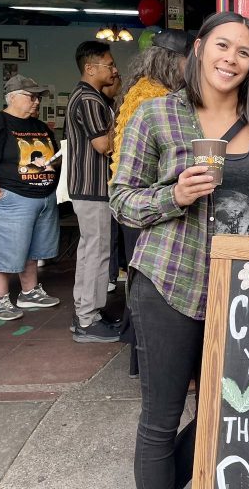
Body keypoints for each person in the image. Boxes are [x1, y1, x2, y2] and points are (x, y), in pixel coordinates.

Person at [110, 12, 249, 488]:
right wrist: (176, 195)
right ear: (200, 49)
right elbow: (122, 201)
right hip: (169, 283)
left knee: (230, 414)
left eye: (244, 52)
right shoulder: (156, 114)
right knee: (160, 422)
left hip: (241, 293)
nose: (231, 58)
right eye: (223, 46)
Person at [109, 28, 191, 378]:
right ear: (175, 62)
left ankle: (142, 363)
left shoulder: (141, 90)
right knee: (151, 292)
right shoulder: (153, 100)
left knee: (141, 288)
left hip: (147, 203)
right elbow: (143, 164)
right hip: (148, 204)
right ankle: (150, 364)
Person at [0, 74, 61, 321]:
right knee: (3, 250)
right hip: (11, 198)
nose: (37, 102)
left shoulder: (40, 126)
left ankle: (29, 292)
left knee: (34, 249)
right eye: (31, 96)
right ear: (12, 97)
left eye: (39, 97)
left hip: (42, 197)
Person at [66, 40, 120, 342]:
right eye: (109, 64)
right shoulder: (89, 99)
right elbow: (103, 145)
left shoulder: (90, 97)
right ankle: (88, 320)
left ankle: (88, 313)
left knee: (91, 253)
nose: (113, 69)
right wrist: (123, 123)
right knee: (96, 253)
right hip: (93, 187)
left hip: (89, 188)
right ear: (91, 68)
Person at [102, 73, 123, 294]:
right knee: (107, 236)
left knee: (114, 232)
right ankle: (110, 276)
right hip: (103, 183)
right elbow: (102, 145)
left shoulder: (111, 105)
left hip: (112, 180)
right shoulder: (92, 101)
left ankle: (114, 273)